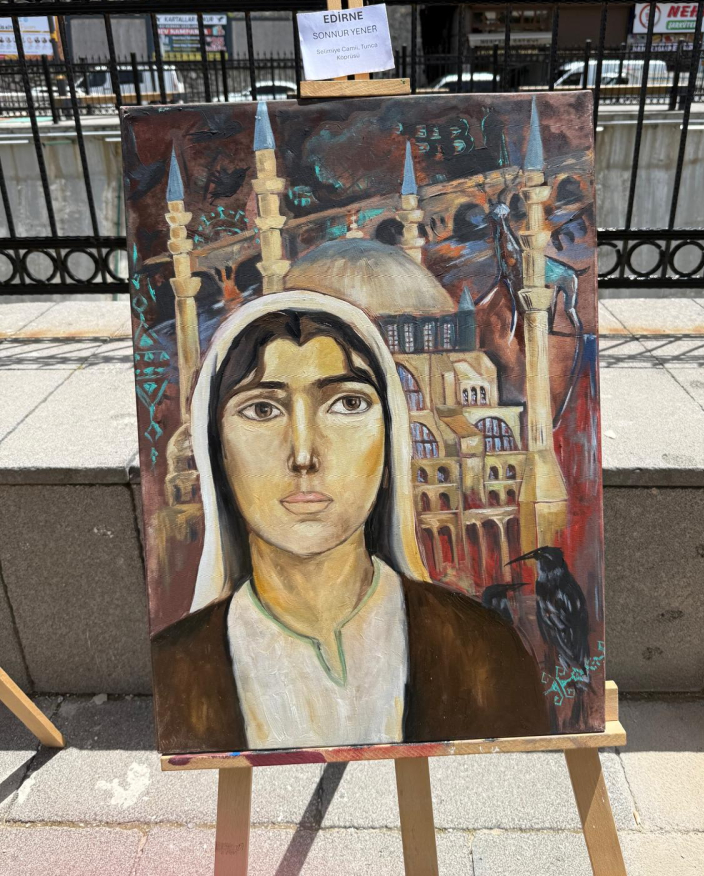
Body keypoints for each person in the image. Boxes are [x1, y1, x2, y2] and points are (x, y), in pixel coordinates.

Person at [152, 290, 547, 754]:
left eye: (347, 404)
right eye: (262, 409)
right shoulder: (176, 667)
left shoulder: (486, 648)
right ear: (216, 449)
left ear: (390, 438)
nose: (304, 455)